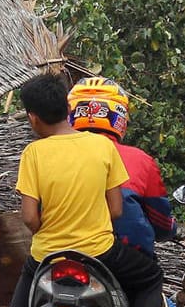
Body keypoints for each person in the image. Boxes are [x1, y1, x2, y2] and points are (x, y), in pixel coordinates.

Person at [0, 74, 172, 307]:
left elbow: (30, 217)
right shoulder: (103, 147)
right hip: (100, 252)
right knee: (150, 278)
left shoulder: (34, 153)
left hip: (49, 253)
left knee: (27, 277)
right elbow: (115, 210)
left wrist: (51, 231)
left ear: (33, 118)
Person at [68, 76, 173, 254]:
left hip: (60, 254)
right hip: (125, 256)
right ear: (119, 116)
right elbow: (161, 222)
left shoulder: (49, 154)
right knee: (152, 278)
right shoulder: (140, 160)